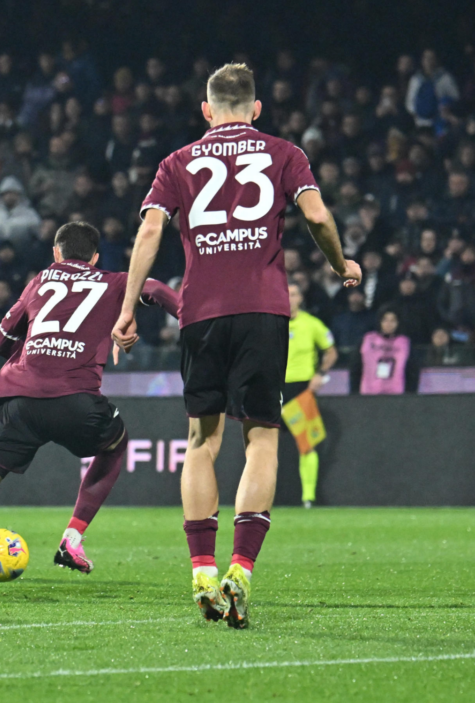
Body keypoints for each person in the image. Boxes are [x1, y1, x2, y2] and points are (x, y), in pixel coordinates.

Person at [113, 63, 361, 629]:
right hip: (263, 311)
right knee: (262, 440)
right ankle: (240, 569)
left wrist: (128, 309)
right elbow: (317, 215)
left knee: (201, 439)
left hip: (200, 312)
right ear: (255, 109)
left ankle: (202, 570)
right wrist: (340, 264)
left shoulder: (176, 162)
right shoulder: (284, 152)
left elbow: (150, 231)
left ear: (206, 110)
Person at [0, 222, 178, 601]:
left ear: (56, 253)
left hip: (19, 399)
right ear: (95, 257)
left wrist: (35, 347)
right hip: (76, 399)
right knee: (115, 445)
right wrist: (186, 316)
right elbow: (153, 289)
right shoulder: (113, 280)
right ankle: (72, 537)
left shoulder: (39, 281)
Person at [281, 282, 337, 509]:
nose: (290, 297)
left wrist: (320, 374)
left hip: (301, 390)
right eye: (286, 293)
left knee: (306, 444)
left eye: (294, 294)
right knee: (263, 443)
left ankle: (308, 497)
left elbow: (331, 352)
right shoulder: (272, 322)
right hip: (274, 388)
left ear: (300, 298)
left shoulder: (312, 324)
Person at [353, 309, 416, 395]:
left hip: (396, 395)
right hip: (368, 394)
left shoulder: (404, 342)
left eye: (392, 321)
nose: (388, 324)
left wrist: (410, 394)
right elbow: (356, 367)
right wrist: (354, 392)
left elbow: (412, 370)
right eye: (385, 320)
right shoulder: (368, 339)